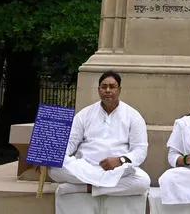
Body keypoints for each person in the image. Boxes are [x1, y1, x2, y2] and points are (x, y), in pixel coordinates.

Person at [49, 70, 150, 213]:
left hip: (116, 171)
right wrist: (50, 156)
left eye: (112, 87)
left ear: (119, 90)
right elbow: (70, 143)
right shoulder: (85, 114)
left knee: (143, 182)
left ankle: (83, 188)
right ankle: (101, 187)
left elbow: (140, 150)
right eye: (104, 87)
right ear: (98, 90)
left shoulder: (133, 116)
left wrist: (120, 160)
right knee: (54, 169)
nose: (108, 90)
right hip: (86, 167)